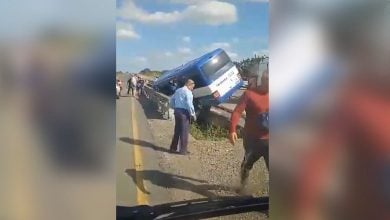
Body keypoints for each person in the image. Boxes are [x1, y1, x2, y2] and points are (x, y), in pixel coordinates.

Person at [229, 63, 269, 189]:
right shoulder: (249, 94)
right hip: (252, 140)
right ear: (263, 80)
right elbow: (237, 112)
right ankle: (242, 186)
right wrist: (232, 130)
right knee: (247, 164)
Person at [169, 79, 196, 155]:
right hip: (184, 113)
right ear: (189, 85)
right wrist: (193, 114)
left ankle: (173, 148)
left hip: (177, 111)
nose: (192, 89)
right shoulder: (188, 92)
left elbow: (172, 100)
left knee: (177, 130)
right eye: (192, 87)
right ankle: (183, 150)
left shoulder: (178, 90)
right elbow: (189, 104)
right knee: (184, 131)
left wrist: (174, 107)